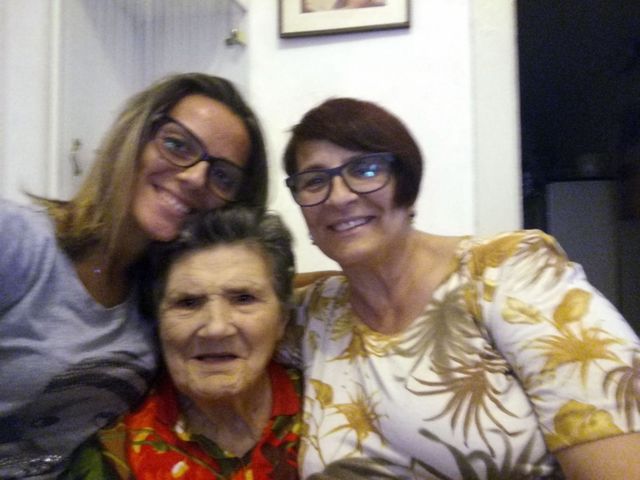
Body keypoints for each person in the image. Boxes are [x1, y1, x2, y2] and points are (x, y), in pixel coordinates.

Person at [279, 97, 640, 479]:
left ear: (406, 183)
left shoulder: (508, 274)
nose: (339, 196)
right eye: (314, 181)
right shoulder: (316, 314)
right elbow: (250, 291)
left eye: (365, 169)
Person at [0, 72, 268, 479]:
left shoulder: (167, 297)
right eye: (177, 145)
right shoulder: (17, 240)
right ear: (134, 138)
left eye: (223, 176)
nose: (195, 177)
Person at [63, 206, 302, 479]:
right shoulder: (115, 454)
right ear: (157, 321)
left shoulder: (326, 408)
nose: (216, 328)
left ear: (282, 318)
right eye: (188, 302)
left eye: (243, 298)